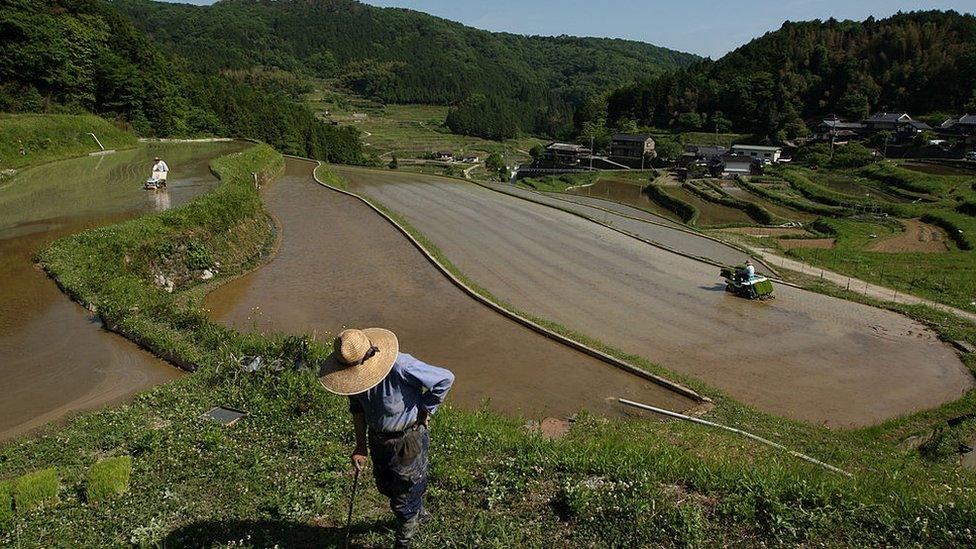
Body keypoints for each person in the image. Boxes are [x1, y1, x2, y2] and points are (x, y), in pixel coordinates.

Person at [320, 328, 455, 548]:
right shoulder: (354, 378)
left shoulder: (402, 367)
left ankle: (405, 536)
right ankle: (414, 511)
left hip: (407, 440)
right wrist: (361, 446)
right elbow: (358, 409)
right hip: (378, 439)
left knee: (405, 494)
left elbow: (445, 379)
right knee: (386, 486)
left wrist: (424, 410)